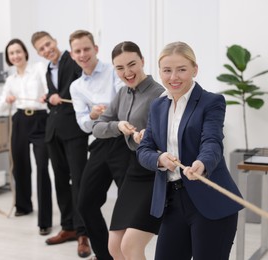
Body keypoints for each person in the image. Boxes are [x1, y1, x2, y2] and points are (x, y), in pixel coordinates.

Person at [136, 41, 244, 260]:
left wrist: (202, 164)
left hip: (210, 202)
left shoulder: (211, 102)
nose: (173, 77)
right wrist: (159, 159)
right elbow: (144, 150)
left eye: (181, 69)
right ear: (160, 72)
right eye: (167, 70)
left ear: (195, 69)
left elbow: (212, 142)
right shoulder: (157, 106)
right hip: (172, 202)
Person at [92, 41, 164, 260]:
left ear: (142, 61)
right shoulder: (123, 93)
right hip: (133, 171)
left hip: (155, 173)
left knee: (130, 246)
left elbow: (170, 135)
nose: (127, 72)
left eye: (132, 64)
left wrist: (148, 138)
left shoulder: (159, 94)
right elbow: (97, 128)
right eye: (120, 68)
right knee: (114, 247)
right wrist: (118, 126)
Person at [69, 30, 130, 260]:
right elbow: (84, 125)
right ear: (72, 54)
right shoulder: (76, 87)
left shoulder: (114, 71)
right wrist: (94, 115)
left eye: (87, 49)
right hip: (101, 142)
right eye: (78, 51)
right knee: (85, 203)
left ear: (95, 48)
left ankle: (125, 253)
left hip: (124, 141)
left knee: (126, 203)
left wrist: (103, 113)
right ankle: (105, 255)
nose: (83, 54)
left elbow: (124, 100)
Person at [31, 31, 91, 258]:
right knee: (60, 181)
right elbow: (55, 102)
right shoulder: (47, 69)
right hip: (53, 133)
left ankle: (83, 232)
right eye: (42, 49)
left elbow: (79, 86)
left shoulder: (74, 59)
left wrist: (58, 96)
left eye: (48, 44)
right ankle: (68, 227)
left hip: (74, 132)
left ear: (55, 41)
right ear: (39, 53)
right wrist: (48, 99)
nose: (47, 50)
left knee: (79, 181)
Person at [0, 38, 52, 236]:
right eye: (11, 53)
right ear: (8, 58)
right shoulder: (10, 81)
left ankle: (44, 220)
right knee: (19, 164)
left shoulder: (38, 69)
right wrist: (7, 99)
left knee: (42, 167)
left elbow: (49, 89)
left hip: (40, 120)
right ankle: (23, 205)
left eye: (18, 51)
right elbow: (1, 107)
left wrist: (46, 96)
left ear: (25, 53)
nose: (16, 56)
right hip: (19, 120)